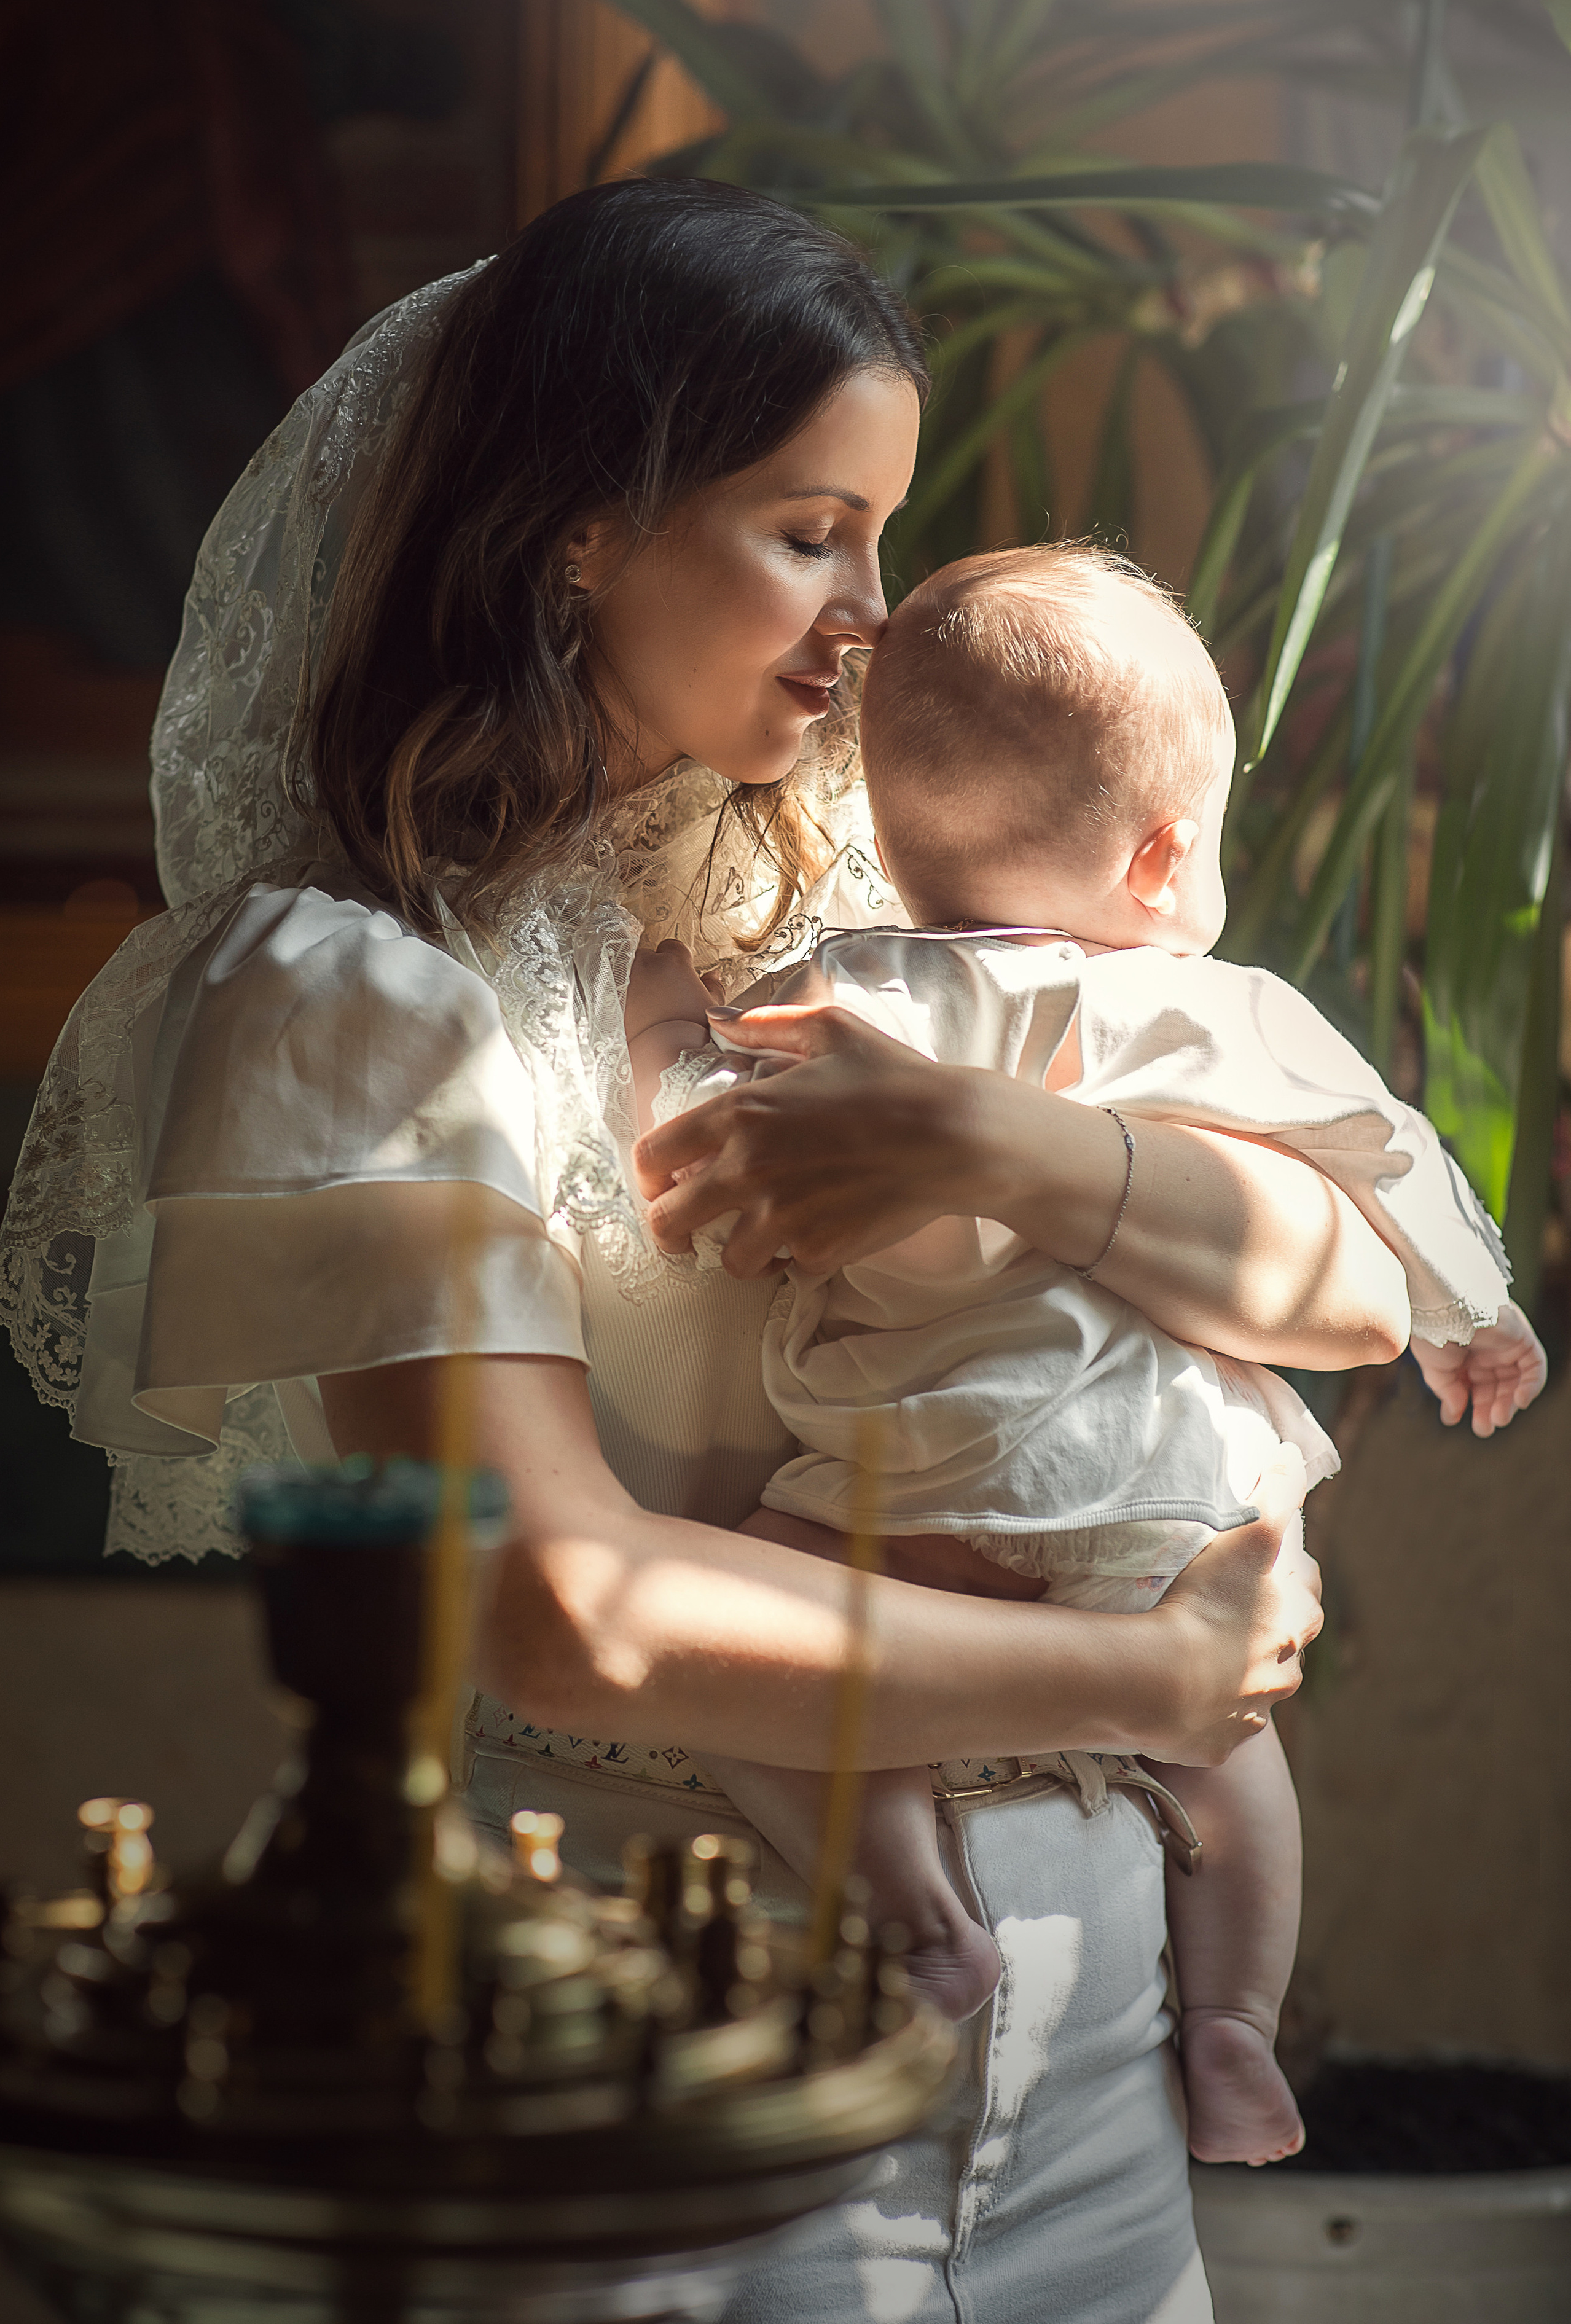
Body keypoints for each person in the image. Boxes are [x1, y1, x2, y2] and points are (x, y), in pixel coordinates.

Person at [2, 181, 1395, 2323]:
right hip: (691, 2039)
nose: (873, 611)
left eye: (882, 534)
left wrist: (994, 1137)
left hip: (1108, 2036)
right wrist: (1153, 1676)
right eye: (806, 527)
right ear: (583, 523)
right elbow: (564, 1609)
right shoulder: (362, 999)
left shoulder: (874, 922)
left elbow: (1352, 1284)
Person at [622, 541, 1546, 2173]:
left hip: (913, 1485)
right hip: (1155, 1499)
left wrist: (660, 1037)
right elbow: (1384, 1152)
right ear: (1167, 852)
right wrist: (1476, 1316)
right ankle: (1234, 2032)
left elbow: (713, 1159)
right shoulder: (1228, 1007)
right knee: (1234, 1745)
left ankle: (917, 1916)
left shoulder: (854, 992)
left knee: (759, 1645)